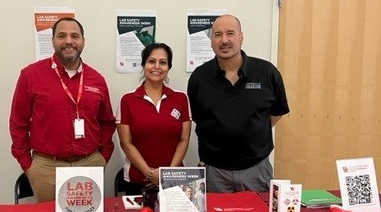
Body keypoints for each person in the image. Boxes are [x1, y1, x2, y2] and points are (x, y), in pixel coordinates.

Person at [10, 17, 116, 202]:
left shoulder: (96, 79)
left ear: (83, 40)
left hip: (90, 163)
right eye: (62, 36)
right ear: (52, 41)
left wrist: (102, 157)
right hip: (47, 167)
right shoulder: (31, 75)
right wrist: (29, 165)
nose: (68, 41)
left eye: (75, 36)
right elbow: (18, 123)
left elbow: (107, 121)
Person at [187, 14, 289, 192]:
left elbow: (277, 113)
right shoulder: (199, 77)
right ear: (211, 41)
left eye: (230, 33)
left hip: (256, 170)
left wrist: (250, 130)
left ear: (241, 37)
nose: (224, 40)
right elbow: (197, 117)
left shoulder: (266, 72)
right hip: (214, 172)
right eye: (218, 34)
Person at [116, 42, 191, 195]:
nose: (157, 66)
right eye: (151, 61)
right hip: (138, 181)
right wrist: (150, 173)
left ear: (168, 67)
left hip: (175, 180)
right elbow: (126, 143)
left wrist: (166, 175)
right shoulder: (127, 100)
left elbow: (184, 140)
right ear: (143, 65)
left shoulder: (181, 99)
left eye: (163, 62)